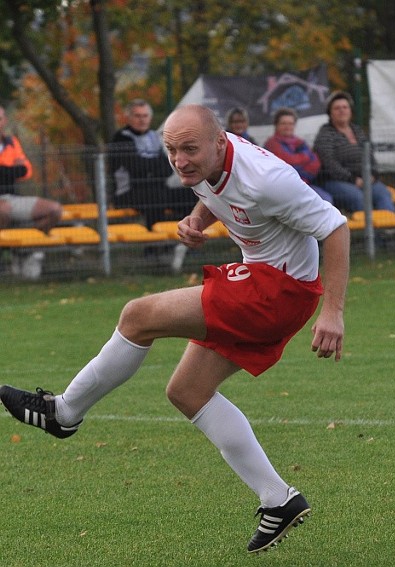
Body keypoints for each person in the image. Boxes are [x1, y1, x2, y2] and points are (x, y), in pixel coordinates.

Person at [0, 104, 351, 554]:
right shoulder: (209, 161)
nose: (180, 160)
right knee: (187, 390)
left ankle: (63, 413)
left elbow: (335, 227)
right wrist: (197, 220)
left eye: (189, 149)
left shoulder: (267, 178)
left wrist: (333, 312)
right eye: (171, 150)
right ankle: (278, 499)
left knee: (138, 316)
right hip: (268, 285)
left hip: (277, 291)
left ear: (221, 143)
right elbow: (217, 191)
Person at [0, 104, 63, 279]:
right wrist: (11, 171)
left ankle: (24, 247)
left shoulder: (11, 142)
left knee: (54, 210)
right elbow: (17, 171)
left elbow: (26, 171)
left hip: (11, 198)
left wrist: (6, 172)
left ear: (4, 120)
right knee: (2, 211)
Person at [313, 91, 395, 213]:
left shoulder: (358, 130)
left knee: (383, 194)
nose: (342, 111)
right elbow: (330, 164)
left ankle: (388, 228)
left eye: (345, 107)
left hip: (365, 179)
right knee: (357, 197)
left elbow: (370, 155)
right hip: (335, 181)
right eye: (337, 108)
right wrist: (353, 179)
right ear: (330, 113)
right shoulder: (325, 134)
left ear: (350, 111)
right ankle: (367, 232)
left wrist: (373, 174)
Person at [263, 108, 333, 203]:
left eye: (291, 123)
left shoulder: (300, 142)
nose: (287, 127)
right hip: (282, 188)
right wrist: (304, 160)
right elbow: (286, 165)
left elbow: (315, 163)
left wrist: (297, 169)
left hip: (304, 184)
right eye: (283, 123)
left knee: (326, 200)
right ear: (276, 125)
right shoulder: (271, 144)